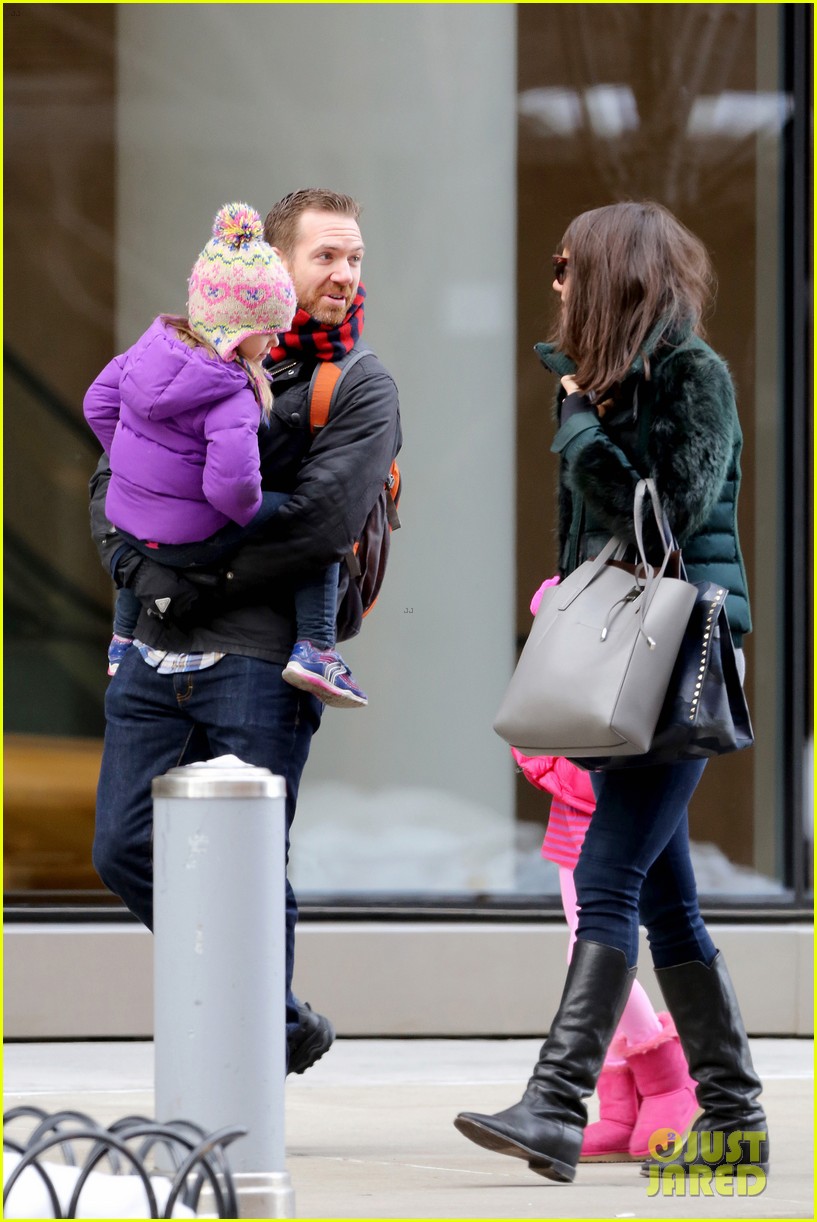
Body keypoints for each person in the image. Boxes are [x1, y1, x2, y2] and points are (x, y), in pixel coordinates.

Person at [454, 201, 767, 1182]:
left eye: (564, 265)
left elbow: (665, 510)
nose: (552, 282)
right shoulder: (594, 388)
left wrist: (585, 430)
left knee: (607, 879)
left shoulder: (690, 377)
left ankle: (554, 1099)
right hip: (620, 666)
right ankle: (734, 1113)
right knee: (667, 901)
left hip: (673, 662)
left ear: (610, 275)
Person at [89, 188, 402, 1074]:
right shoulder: (186, 353)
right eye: (325, 258)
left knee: (254, 866)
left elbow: (317, 522)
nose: (344, 275)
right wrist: (147, 579)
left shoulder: (359, 385)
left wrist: (189, 584)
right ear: (271, 262)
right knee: (121, 848)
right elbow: (113, 484)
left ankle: (244, 1075)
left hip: (263, 660)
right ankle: (281, 1020)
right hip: (155, 650)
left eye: (354, 259)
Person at [84, 201, 367, 709]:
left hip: (133, 520)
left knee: (139, 522)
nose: (276, 338)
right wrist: (241, 511)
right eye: (270, 328)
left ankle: (122, 638)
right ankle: (315, 648)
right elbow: (231, 486)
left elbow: (98, 403)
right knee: (319, 533)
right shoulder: (234, 389)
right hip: (193, 535)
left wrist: (132, 466)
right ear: (244, 330)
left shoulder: (149, 346)